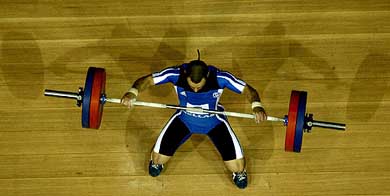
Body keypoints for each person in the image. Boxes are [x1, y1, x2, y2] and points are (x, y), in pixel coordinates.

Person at [121, 53, 267, 189]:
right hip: (184, 120)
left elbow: (248, 90)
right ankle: (158, 159)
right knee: (157, 160)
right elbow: (147, 80)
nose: (195, 90)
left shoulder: (221, 78)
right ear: (186, 75)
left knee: (238, 167)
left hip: (214, 123)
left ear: (207, 75)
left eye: (199, 86)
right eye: (192, 86)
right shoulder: (176, 74)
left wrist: (257, 106)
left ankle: (239, 173)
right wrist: (132, 92)